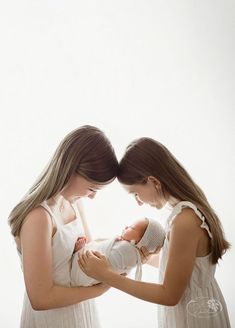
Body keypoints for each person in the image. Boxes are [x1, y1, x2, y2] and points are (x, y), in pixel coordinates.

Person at [78, 137, 231, 328]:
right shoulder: (186, 212)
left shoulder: (184, 220)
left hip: (193, 317)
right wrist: (143, 257)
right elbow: (186, 268)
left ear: (153, 182)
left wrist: (108, 275)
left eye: (135, 193)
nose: (138, 202)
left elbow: (169, 295)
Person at [8, 125, 119, 328]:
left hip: (83, 314)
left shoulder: (75, 204)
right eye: (92, 187)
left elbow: (87, 253)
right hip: (52, 321)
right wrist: (101, 289)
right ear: (71, 169)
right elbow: (41, 298)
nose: (93, 196)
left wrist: (116, 246)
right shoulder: (39, 217)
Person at [71, 217, 165, 286]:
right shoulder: (126, 247)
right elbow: (103, 246)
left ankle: (79, 252)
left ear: (142, 242)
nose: (126, 226)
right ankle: (80, 251)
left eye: (131, 228)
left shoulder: (129, 252)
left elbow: (109, 262)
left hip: (85, 272)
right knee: (92, 251)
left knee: (86, 259)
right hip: (88, 271)